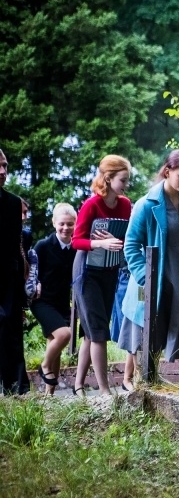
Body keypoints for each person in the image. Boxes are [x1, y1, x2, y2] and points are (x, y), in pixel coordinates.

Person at [119, 150, 179, 391]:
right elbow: (131, 245)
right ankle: (138, 381)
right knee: (144, 326)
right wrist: (144, 277)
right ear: (167, 171)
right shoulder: (146, 204)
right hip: (153, 276)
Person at [72, 155, 132, 396]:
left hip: (110, 270)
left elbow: (127, 237)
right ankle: (105, 391)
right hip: (87, 272)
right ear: (108, 178)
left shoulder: (125, 204)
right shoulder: (91, 205)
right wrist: (100, 244)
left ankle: (77, 386)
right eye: (123, 180)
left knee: (91, 332)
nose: (126, 185)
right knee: (99, 333)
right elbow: (77, 241)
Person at [30, 203, 78, 395]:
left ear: (75, 224)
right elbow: (30, 269)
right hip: (42, 301)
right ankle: (44, 365)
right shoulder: (43, 246)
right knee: (64, 334)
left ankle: (49, 394)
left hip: (61, 302)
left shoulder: (75, 248)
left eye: (70, 224)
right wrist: (36, 283)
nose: (65, 228)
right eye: (62, 224)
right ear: (54, 223)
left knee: (55, 342)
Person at [0, 149, 30, 395]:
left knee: (10, 336)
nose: (2, 172)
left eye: (5, 166)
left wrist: (20, 296)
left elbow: (15, 248)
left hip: (7, 280)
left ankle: (14, 390)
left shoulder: (12, 203)